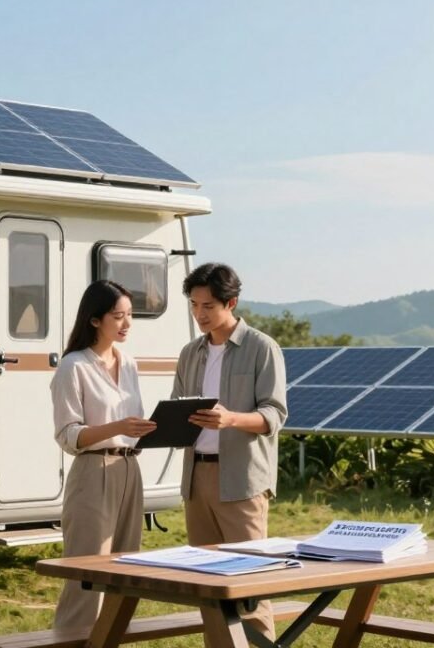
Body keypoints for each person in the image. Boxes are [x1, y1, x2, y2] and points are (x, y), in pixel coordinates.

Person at [173, 263, 287, 640]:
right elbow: (178, 406)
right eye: (194, 305)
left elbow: (274, 414)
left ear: (231, 302)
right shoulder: (190, 353)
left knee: (251, 585)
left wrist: (232, 419)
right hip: (196, 479)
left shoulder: (262, 348)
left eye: (207, 306)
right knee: (208, 585)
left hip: (241, 481)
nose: (199, 314)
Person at [51, 279, 156, 631]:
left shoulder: (128, 363)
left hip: (130, 469)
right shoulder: (74, 366)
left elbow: (132, 421)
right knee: (87, 574)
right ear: (95, 320)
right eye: (118, 316)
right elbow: (68, 436)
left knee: (127, 570)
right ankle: (72, 640)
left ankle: (112, 639)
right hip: (93, 472)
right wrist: (116, 427)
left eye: (129, 316)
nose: (126, 324)